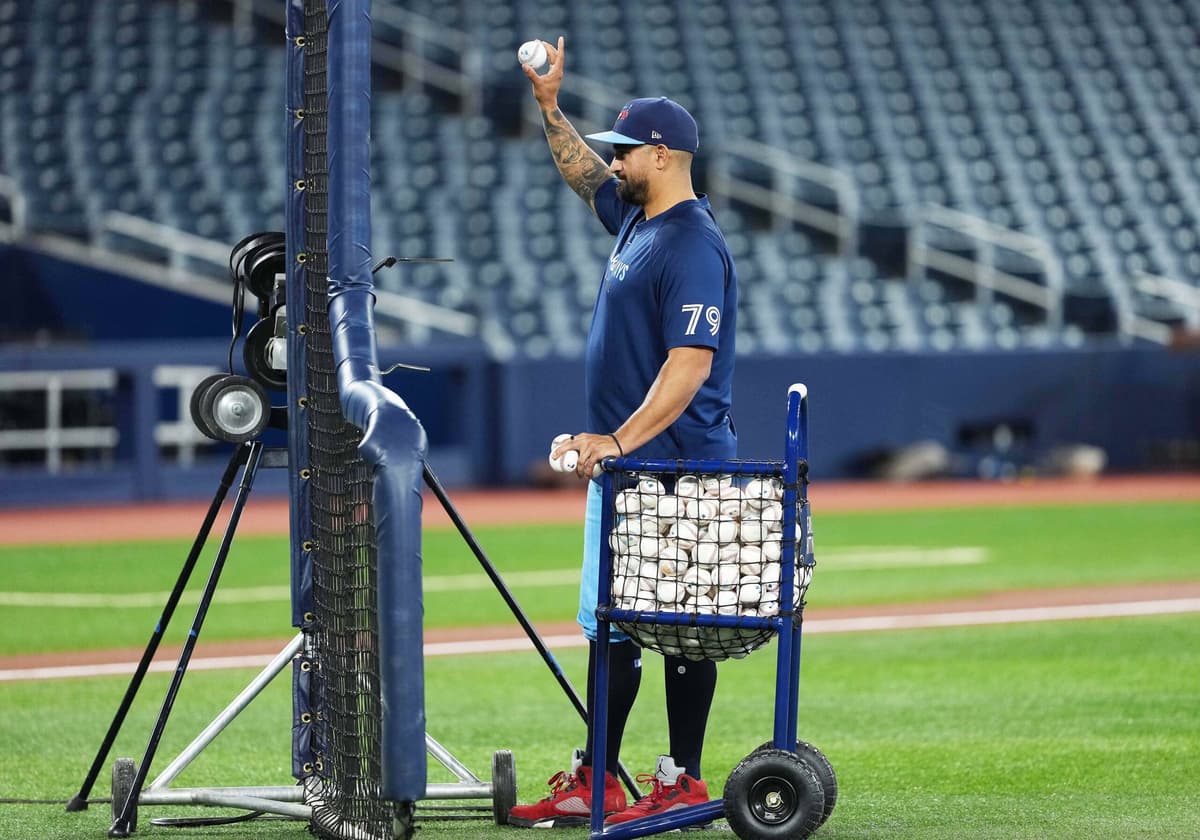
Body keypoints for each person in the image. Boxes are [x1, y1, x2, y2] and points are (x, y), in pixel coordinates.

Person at [508, 37, 738, 829]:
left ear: (663, 155)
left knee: (681, 628)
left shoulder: (693, 244)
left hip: (678, 465)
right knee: (613, 624)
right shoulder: (639, 219)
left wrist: (616, 440)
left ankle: (682, 779)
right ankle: (600, 776)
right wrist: (549, 106)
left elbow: (688, 367)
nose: (613, 163)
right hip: (636, 468)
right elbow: (582, 177)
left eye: (626, 151)